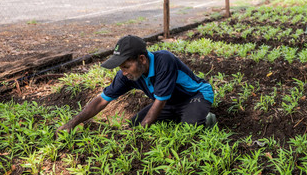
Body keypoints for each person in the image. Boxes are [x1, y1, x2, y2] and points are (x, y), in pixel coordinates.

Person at [57, 35, 216, 133]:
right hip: (168, 102)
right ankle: (179, 116)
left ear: (142, 59)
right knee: (133, 124)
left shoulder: (164, 60)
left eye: (126, 67)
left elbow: (159, 102)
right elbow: (101, 100)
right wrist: (72, 123)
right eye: (121, 68)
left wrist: (140, 135)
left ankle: (204, 116)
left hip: (195, 96)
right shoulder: (127, 75)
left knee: (190, 128)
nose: (124, 72)